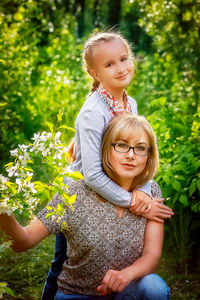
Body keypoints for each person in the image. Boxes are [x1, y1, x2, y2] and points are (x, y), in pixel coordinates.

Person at [42, 31, 174, 300]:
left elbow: (135, 150)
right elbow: (91, 175)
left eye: (123, 59)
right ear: (94, 72)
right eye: (109, 64)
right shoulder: (93, 111)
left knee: (110, 257)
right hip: (80, 197)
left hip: (110, 191)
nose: (120, 68)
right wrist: (132, 201)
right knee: (64, 266)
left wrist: (144, 192)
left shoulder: (130, 102)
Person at [0, 113, 171, 299]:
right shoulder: (74, 191)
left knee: (154, 288)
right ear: (106, 149)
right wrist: (3, 211)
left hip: (126, 292)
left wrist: (126, 274)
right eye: (121, 145)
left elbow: (152, 254)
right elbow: (22, 242)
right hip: (77, 293)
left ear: (149, 155)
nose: (131, 155)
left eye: (140, 148)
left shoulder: (150, 193)